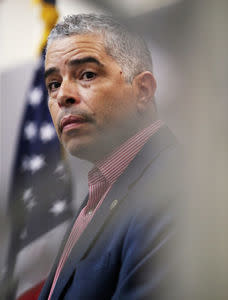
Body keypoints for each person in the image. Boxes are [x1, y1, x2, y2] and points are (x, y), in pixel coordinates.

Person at [38, 14, 180, 300]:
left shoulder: (172, 186)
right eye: (53, 83)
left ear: (143, 90)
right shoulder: (103, 186)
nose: (62, 95)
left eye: (87, 75)